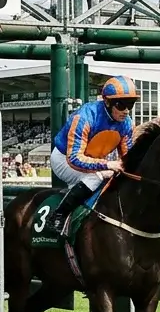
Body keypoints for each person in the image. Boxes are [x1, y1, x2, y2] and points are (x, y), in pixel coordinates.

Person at [41, 75, 140, 236]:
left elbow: (128, 157)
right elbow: (74, 159)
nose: (126, 111)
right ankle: (59, 216)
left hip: (93, 160)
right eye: (121, 105)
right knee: (98, 175)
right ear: (107, 102)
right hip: (64, 159)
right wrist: (107, 164)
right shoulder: (84, 117)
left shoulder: (126, 123)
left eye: (131, 104)